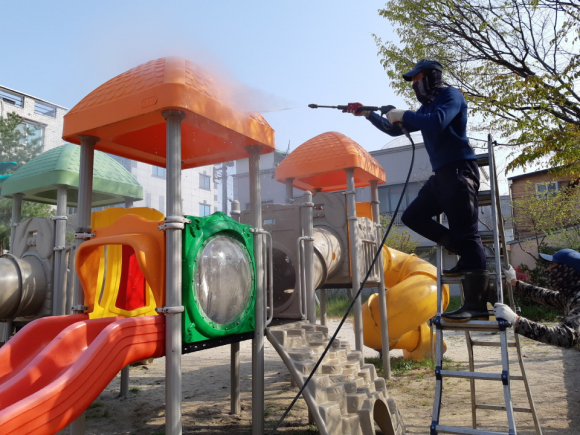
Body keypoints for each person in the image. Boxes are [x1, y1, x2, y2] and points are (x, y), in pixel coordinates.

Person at [345, 58, 488, 322]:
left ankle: (476, 305)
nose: (414, 84)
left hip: (460, 171)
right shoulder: (427, 107)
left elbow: (438, 121)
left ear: (432, 76)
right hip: (441, 176)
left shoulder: (451, 95)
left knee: (469, 235)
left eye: (417, 79)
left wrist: (404, 114)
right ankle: (463, 251)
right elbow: (394, 129)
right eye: (412, 81)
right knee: (412, 216)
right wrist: (368, 114)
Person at [495, 249, 580, 350]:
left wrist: (517, 320)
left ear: (567, 270)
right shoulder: (571, 294)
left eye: (552, 265)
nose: (548, 269)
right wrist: (514, 282)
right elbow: (545, 296)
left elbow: (568, 337)